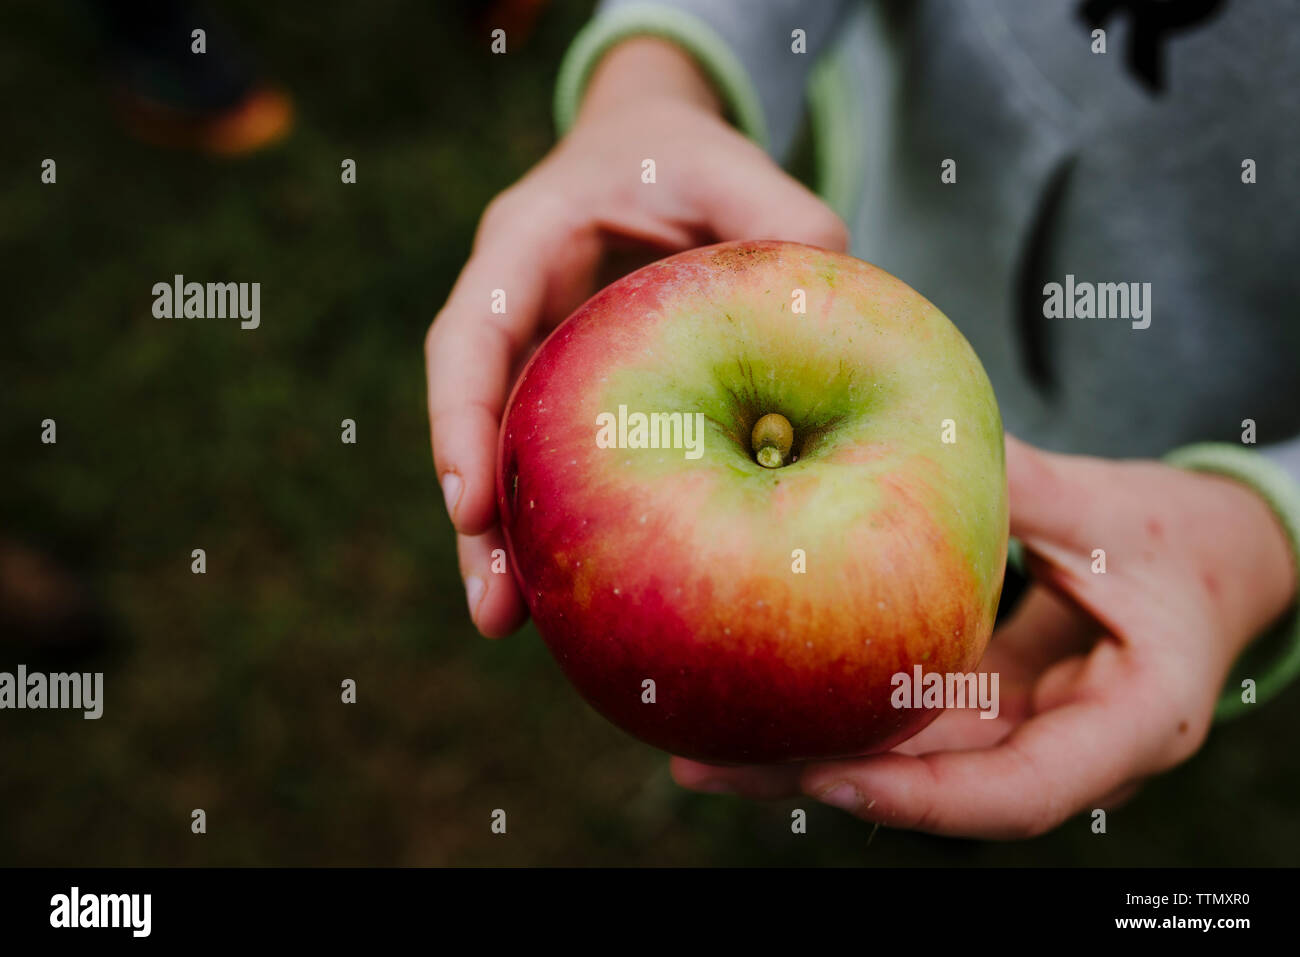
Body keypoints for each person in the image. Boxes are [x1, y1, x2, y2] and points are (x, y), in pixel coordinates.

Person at [424, 0, 1300, 839]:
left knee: (983, 721)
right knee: (946, 727)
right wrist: (656, 78)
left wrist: (1269, 524)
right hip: (893, 344)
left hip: (1186, 454)